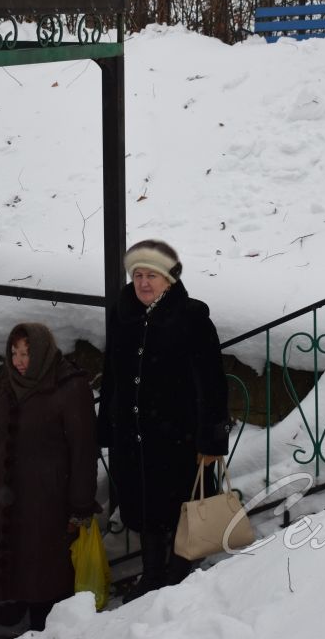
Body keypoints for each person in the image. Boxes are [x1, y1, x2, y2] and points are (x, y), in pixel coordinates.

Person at [98, 239, 231, 601]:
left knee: (182, 505)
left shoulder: (191, 318)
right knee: (144, 507)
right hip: (134, 436)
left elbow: (212, 384)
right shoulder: (122, 315)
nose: (143, 283)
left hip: (178, 437)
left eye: (152, 275)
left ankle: (179, 572)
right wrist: (106, 425)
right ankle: (152, 573)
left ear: (169, 279)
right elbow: (111, 374)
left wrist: (211, 438)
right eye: (138, 275)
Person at [0, 323, 98, 631]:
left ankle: (46, 627)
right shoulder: (11, 384)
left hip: (50, 499)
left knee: (47, 574)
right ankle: (17, 612)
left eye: (26, 353)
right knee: (18, 562)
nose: (19, 361)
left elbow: (82, 450)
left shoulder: (68, 386)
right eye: (14, 353)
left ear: (42, 351)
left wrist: (80, 506)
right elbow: (1, 440)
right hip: (13, 497)